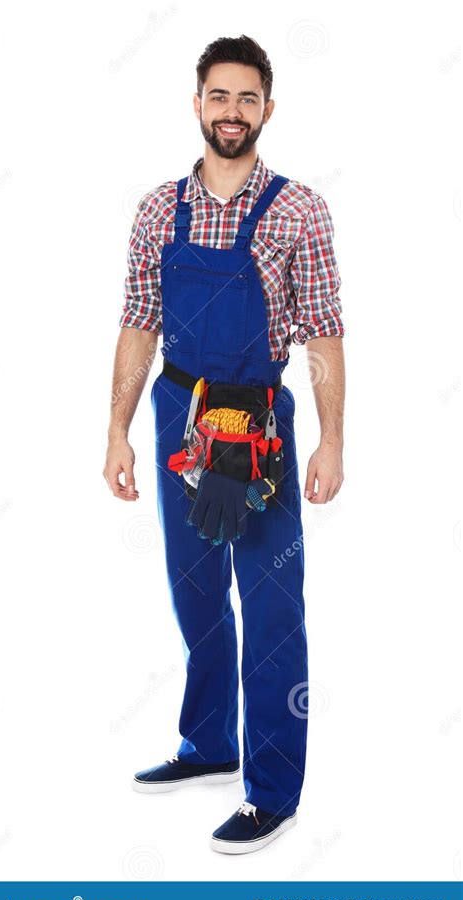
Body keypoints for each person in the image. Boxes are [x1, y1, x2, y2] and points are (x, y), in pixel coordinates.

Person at [103, 35, 345, 855]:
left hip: (260, 425)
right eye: (219, 95)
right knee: (196, 589)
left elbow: (323, 332)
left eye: (248, 98)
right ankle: (209, 742)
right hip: (180, 414)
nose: (232, 111)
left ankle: (272, 789)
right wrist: (117, 431)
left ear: (267, 110)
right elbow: (138, 321)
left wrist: (332, 441)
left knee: (272, 607)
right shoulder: (156, 211)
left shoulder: (298, 209)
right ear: (196, 102)